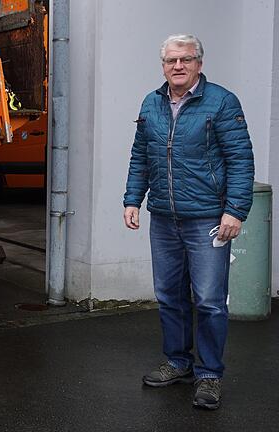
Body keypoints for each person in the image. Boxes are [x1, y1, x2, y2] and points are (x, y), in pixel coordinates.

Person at [123, 34, 254, 410]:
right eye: (171, 61)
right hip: (164, 218)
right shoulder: (152, 102)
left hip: (207, 219)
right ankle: (178, 362)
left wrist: (235, 210)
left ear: (199, 63)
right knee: (169, 295)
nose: (177, 66)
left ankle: (209, 374)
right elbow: (141, 157)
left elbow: (241, 160)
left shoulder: (222, 102)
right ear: (162, 65)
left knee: (211, 301)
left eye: (186, 59)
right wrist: (133, 199)